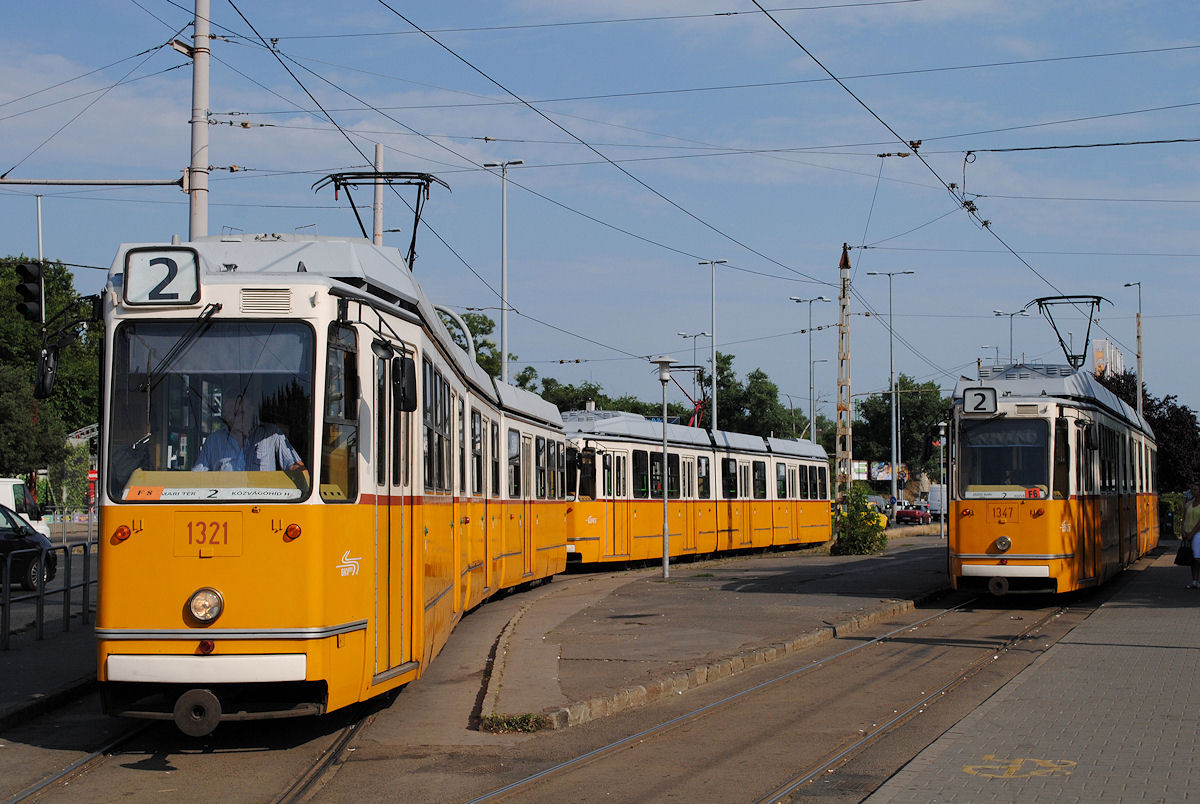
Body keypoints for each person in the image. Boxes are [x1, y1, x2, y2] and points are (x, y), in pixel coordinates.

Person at [193, 394, 304, 472]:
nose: (233, 418)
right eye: (229, 414)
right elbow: (197, 477)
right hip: (225, 504)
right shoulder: (214, 440)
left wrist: (303, 478)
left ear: (251, 409)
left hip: (263, 503)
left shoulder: (271, 434)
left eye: (239, 413)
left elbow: (294, 464)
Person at [1183, 483, 1200, 589]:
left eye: (1195, 489)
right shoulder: (1188, 504)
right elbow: (1183, 517)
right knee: (1192, 559)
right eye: (1192, 489)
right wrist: (1183, 531)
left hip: (1198, 534)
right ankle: (1194, 581)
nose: (1193, 491)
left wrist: (1192, 533)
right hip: (1188, 533)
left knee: (1197, 558)